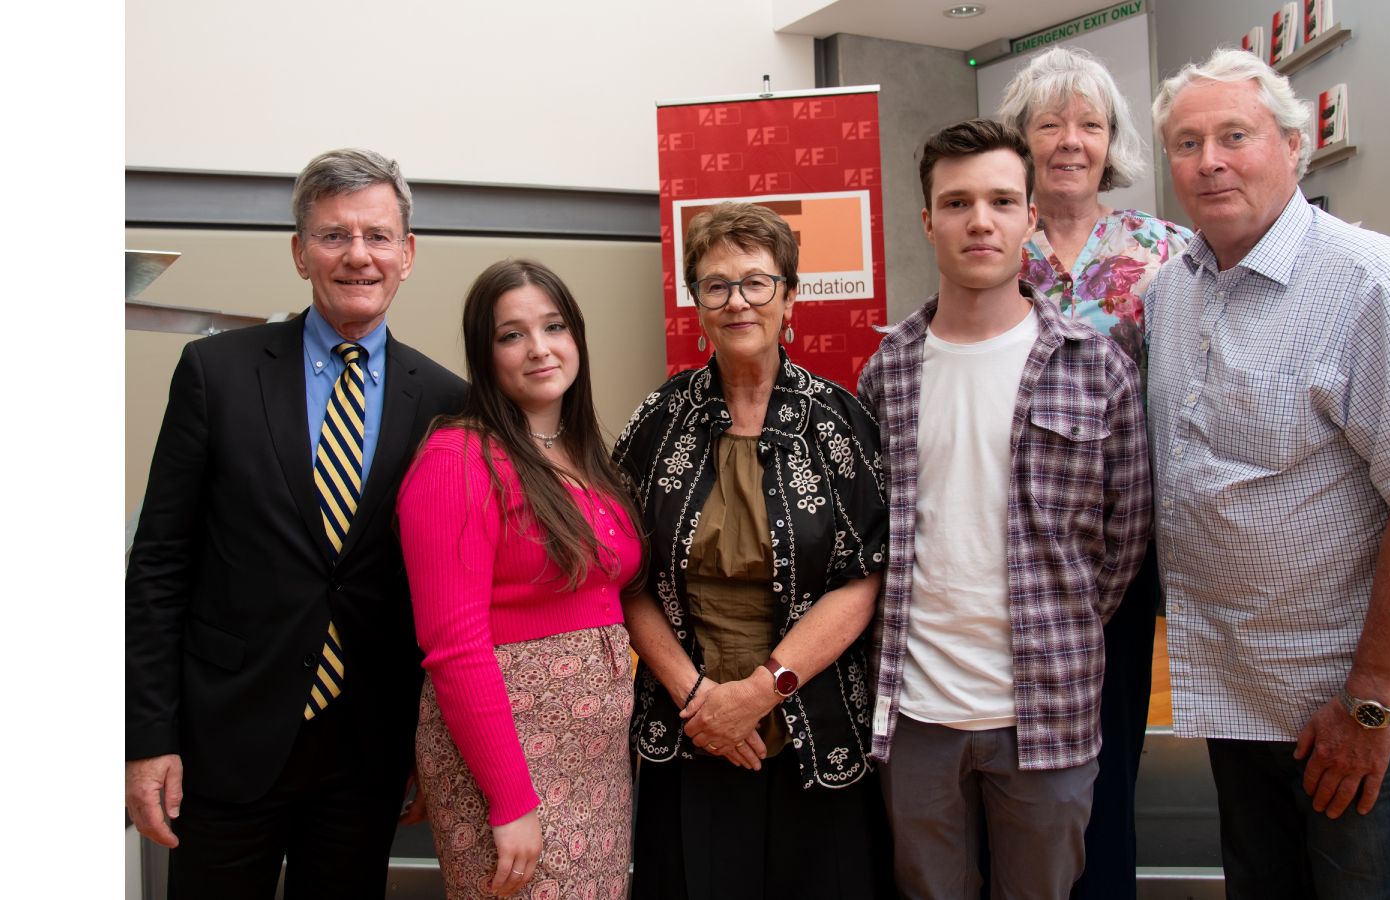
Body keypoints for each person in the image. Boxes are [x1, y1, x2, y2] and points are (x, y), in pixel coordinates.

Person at [1145, 48, 1390, 899]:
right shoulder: (1172, 293)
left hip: (1359, 710)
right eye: (1187, 143)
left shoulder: (1365, 278)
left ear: (1294, 146)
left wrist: (1369, 702)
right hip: (1239, 700)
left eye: (1235, 136)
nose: (1210, 161)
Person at [124, 148, 467, 897]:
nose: (358, 255)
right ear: (299, 251)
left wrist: (429, 742)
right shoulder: (215, 373)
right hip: (225, 738)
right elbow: (158, 565)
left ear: (408, 254)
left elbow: (445, 591)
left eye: (377, 236)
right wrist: (147, 738)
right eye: (334, 235)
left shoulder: (448, 402)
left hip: (365, 748)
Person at [856, 119, 1151, 900]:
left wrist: (1059, 625)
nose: (979, 221)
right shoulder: (886, 372)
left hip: (1047, 713)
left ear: (1030, 217)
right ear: (928, 223)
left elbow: (1125, 540)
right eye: (957, 203)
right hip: (916, 715)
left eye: (1000, 201)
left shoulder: (1097, 370)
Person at [613, 202, 893, 900]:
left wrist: (760, 693)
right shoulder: (657, 422)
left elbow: (863, 577)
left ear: (789, 297)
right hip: (688, 721)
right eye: (717, 285)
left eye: (756, 282)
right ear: (697, 304)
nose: (737, 301)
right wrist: (701, 700)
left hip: (813, 721)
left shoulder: (839, 421)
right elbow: (625, 577)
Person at [997, 46, 1192, 900]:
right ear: (1022, 140)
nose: (1070, 141)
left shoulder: (1165, 249)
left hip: (1126, 537)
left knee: (1111, 748)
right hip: (1022, 537)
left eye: (1090, 124)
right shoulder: (997, 243)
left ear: (1112, 141)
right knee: (1022, 751)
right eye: (1050, 124)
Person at [396, 260, 643, 900]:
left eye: (554, 327)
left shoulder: (583, 453)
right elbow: (453, 647)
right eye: (512, 335)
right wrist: (509, 800)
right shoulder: (457, 460)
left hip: (593, 765)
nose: (539, 348)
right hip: (511, 767)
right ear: (485, 356)